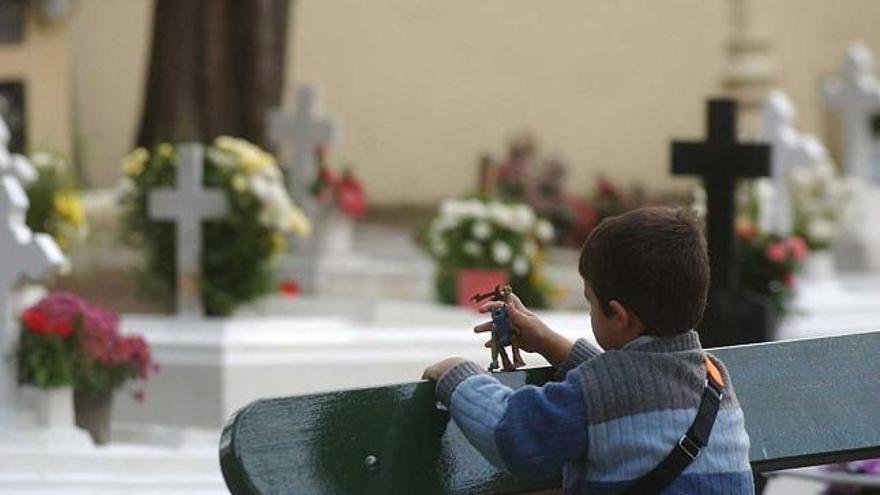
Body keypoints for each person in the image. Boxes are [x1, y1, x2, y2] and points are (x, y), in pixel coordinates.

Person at [423, 207, 753, 494]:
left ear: (620, 316)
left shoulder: (599, 392)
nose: (590, 311)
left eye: (590, 301)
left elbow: (513, 435)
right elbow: (631, 389)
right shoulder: (715, 377)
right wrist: (550, 343)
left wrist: (457, 374)